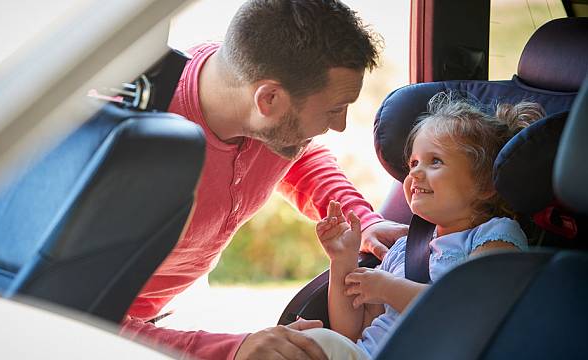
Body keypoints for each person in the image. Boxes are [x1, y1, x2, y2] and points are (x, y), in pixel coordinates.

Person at [119, 1, 409, 359]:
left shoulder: (267, 119)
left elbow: (300, 156)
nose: (340, 126)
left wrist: (362, 220)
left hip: (172, 305)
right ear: (268, 98)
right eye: (334, 110)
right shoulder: (129, 148)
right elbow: (69, 315)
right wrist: (233, 350)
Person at [308, 92, 545, 359]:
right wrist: (342, 261)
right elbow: (351, 333)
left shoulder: (495, 235)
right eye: (413, 163)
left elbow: (471, 314)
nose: (415, 174)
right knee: (300, 342)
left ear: (486, 184)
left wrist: (387, 288)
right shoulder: (400, 250)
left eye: (436, 161)